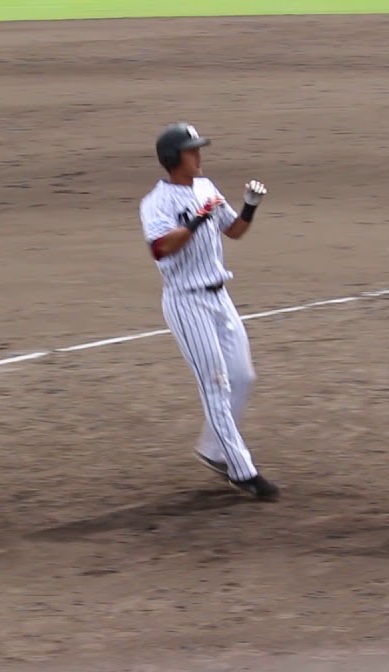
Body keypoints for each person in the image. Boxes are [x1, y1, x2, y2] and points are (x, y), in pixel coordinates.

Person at [139, 122, 278, 501]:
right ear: (173, 158)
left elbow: (234, 231)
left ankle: (214, 450)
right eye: (192, 150)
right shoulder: (155, 202)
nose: (199, 155)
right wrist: (198, 219)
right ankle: (243, 471)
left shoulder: (206, 186)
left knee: (243, 377)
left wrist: (250, 206)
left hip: (220, 298)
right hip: (187, 303)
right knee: (216, 386)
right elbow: (160, 248)